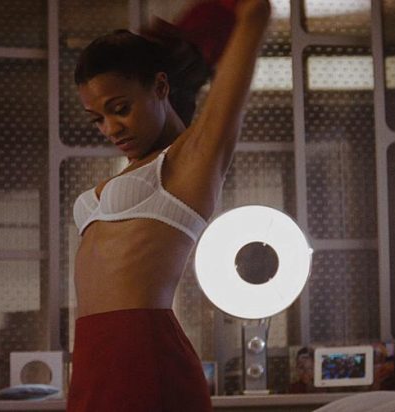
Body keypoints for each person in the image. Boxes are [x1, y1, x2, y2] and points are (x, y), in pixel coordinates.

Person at [67, 0, 271, 411]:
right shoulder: (134, 169)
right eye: (97, 119)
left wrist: (221, 15)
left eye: (120, 109)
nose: (110, 129)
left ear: (160, 87)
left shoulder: (191, 158)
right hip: (92, 359)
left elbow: (256, 11)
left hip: (145, 358)